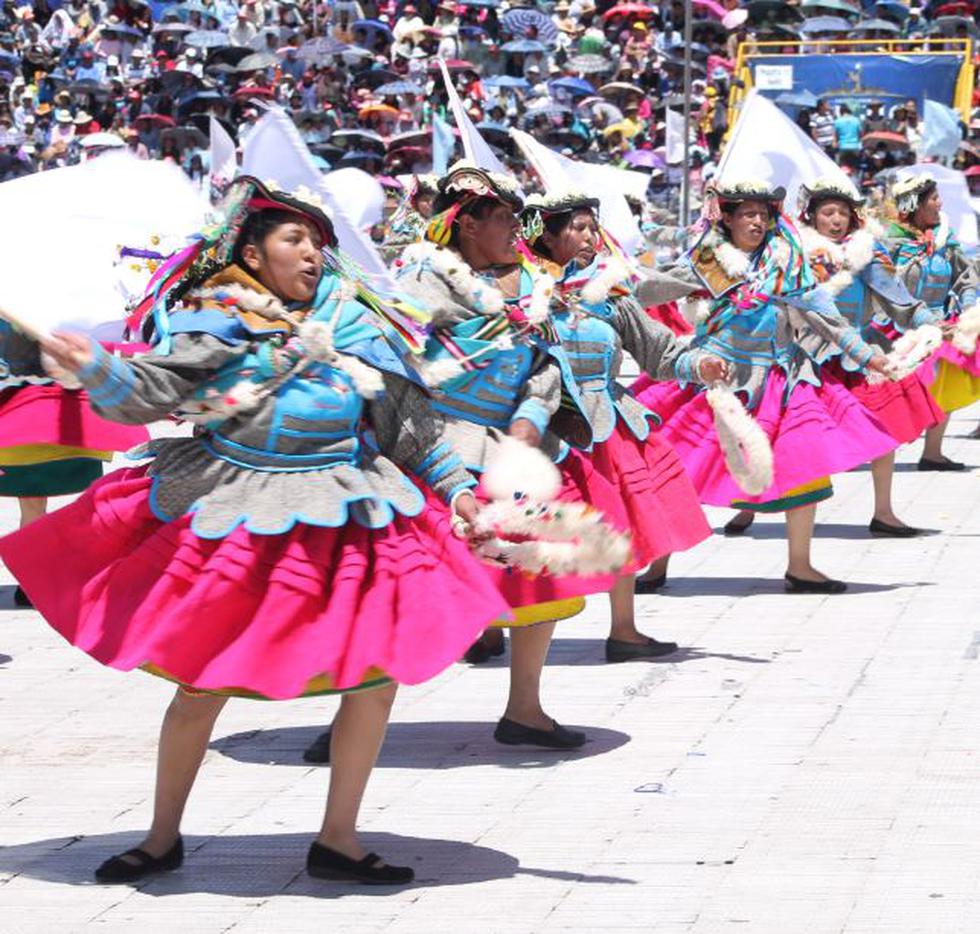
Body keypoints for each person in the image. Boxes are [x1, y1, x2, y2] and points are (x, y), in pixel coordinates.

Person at [0, 177, 509, 886]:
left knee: (373, 680)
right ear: (252, 251)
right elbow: (153, 389)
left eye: (316, 242)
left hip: (349, 516)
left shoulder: (359, 327)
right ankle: (160, 837)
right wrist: (96, 368)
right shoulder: (218, 323)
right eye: (292, 240)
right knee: (199, 681)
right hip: (239, 510)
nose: (310, 254)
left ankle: (339, 840)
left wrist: (459, 492)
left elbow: (408, 429)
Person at [394, 162, 625, 746]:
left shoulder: (529, 283)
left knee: (538, 577)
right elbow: (399, 372)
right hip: (436, 448)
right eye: (501, 220)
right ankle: (359, 709)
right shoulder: (418, 283)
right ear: (468, 224)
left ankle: (525, 708)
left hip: (515, 452)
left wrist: (532, 417)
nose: (512, 232)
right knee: (402, 587)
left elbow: (547, 364)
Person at [631, 178, 896, 593]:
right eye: (748, 214)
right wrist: (600, 284)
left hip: (778, 377)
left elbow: (826, 316)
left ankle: (801, 565)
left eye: (764, 214)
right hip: (713, 377)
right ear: (729, 218)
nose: (757, 221)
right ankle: (657, 564)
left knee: (804, 466)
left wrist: (869, 356)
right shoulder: (707, 262)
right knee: (674, 468)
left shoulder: (787, 263)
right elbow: (649, 289)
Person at [520, 190, 723, 658]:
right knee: (528, 531)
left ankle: (624, 629)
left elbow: (659, 350)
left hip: (608, 424)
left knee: (623, 524)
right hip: (542, 427)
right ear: (545, 235)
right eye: (579, 228)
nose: (592, 238)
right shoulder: (519, 292)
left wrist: (700, 365)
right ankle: (493, 628)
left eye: (594, 227)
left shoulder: (610, 291)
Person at [784, 178, 944, 535]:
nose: (836, 220)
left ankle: (883, 511)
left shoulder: (867, 253)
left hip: (859, 357)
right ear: (812, 216)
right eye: (828, 212)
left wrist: (932, 324)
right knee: (793, 436)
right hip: (806, 357)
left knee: (883, 429)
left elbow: (899, 299)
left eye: (843, 212)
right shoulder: (791, 254)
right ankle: (751, 509)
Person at [0, 320, 149, 607]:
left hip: (24, 405)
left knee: (33, 503)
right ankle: (83, 574)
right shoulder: (69, 300)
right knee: (90, 500)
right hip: (70, 409)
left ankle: (32, 582)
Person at [886, 173, 980, 469]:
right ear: (915, 204)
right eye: (934, 199)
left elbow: (965, 279)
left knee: (946, 383)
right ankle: (875, 451)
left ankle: (932, 452)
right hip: (896, 327)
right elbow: (883, 287)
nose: (940, 204)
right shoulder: (889, 243)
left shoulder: (944, 241)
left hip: (940, 325)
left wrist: (966, 312)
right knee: (892, 394)